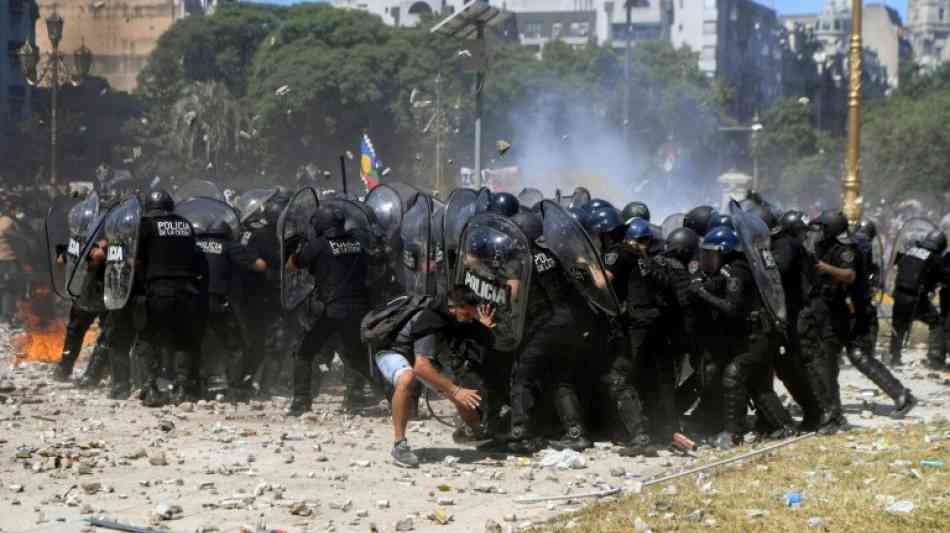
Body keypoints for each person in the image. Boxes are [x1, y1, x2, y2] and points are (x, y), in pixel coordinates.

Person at [691, 226, 795, 448]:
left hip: (758, 335)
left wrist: (701, 293)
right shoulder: (735, 266)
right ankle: (783, 426)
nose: (708, 259)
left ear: (724, 251)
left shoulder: (736, 271)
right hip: (757, 334)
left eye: (712, 254)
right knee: (758, 385)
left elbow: (731, 308)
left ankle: (733, 434)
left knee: (734, 374)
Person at [374, 285, 496, 467]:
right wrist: (455, 391)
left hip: (419, 359)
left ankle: (475, 432)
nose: (471, 320)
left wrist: (483, 326)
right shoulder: (431, 321)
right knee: (408, 378)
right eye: (467, 316)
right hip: (393, 352)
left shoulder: (458, 317)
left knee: (456, 389)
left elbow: (476, 331)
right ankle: (399, 445)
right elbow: (421, 368)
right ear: (452, 308)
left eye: (474, 316)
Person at [285, 206, 375, 416]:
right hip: (359, 307)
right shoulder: (357, 243)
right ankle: (392, 393)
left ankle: (301, 402)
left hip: (333, 309)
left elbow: (291, 266)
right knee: (357, 357)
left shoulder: (318, 245)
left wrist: (295, 249)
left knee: (304, 353)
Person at [134, 190, 205, 406]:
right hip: (187, 291)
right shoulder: (185, 225)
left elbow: (137, 261)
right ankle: (183, 388)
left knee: (149, 338)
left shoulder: (146, 225)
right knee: (184, 339)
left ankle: (151, 387)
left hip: (159, 290)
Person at [798, 210, 859, 434]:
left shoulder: (844, 249)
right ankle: (833, 415)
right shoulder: (821, 246)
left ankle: (833, 417)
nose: (819, 232)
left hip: (835, 315)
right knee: (823, 367)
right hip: (820, 311)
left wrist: (826, 268)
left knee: (827, 366)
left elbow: (849, 275)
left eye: (823, 228)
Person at [890, 229, 946, 367]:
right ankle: (935, 358)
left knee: (898, 326)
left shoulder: (910, 250)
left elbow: (897, 265)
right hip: (916, 299)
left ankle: (894, 358)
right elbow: (942, 277)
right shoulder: (935, 258)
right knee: (937, 322)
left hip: (899, 295)